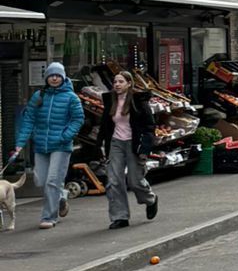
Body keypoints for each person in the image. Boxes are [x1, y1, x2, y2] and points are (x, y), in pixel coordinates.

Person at [14, 62, 84, 230]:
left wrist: (64, 136)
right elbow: (29, 120)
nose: (54, 78)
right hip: (41, 146)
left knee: (52, 181)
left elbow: (78, 119)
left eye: (58, 75)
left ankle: (49, 217)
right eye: (51, 75)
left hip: (61, 146)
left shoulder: (71, 97)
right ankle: (61, 197)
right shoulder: (39, 96)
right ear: (46, 78)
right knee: (41, 181)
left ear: (63, 77)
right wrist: (19, 144)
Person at [93, 72, 160, 231]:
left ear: (129, 83)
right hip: (116, 143)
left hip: (133, 144)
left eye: (121, 81)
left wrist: (144, 148)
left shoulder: (138, 101)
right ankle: (120, 217)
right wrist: (100, 144)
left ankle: (150, 199)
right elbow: (105, 125)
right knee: (114, 181)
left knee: (135, 181)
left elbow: (149, 127)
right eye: (115, 82)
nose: (117, 84)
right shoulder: (111, 101)